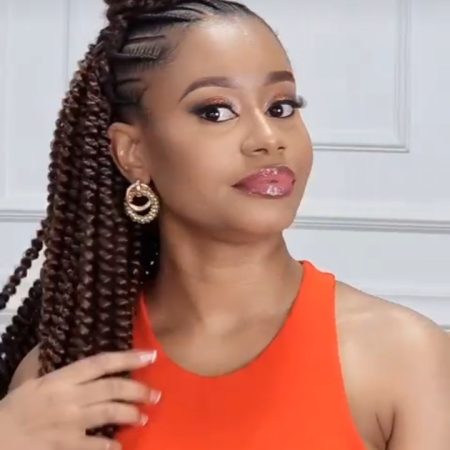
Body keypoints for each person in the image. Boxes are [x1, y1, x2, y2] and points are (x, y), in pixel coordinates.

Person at [0, 0, 448, 449]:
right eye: (216, 111)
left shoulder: (404, 357)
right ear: (133, 153)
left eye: (281, 107)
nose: (269, 139)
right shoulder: (64, 380)